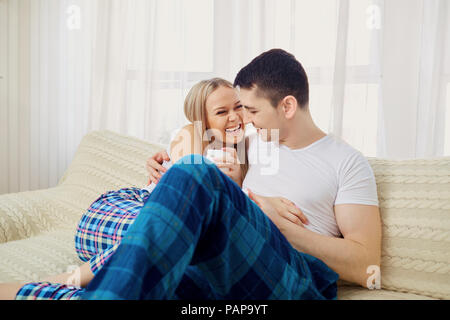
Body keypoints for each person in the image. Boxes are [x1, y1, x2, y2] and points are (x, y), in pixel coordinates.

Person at [78, 49, 381, 299]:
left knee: (198, 174)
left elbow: (367, 264)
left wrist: (280, 225)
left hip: (291, 276)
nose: (242, 120)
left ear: (287, 106)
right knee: (158, 280)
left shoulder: (347, 163)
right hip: (224, 265)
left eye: (251, 110)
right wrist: (165, 162)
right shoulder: (251, 143)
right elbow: (191, 136)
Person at [0, 78, 280, 299]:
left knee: (189, 258)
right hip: (120, 210)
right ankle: (62, 280)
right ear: (202, 119)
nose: (234, 117)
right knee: (172, 229)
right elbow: (188, 185)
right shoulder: (190, 134)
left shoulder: (245, 150)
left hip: (165, 233)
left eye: (239, 106)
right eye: (222, 111)